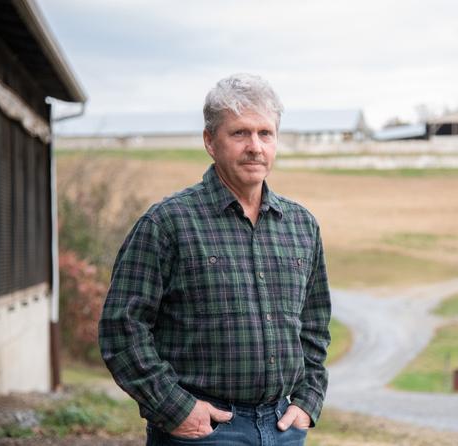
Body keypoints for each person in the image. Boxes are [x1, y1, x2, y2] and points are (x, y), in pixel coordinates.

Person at [99, 73, 331, 446]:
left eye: (265, 134)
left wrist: (308, 400)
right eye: (239, 133)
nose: (255, 146)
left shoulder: (301, 225)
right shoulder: (167, 223)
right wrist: (175, 409)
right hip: (203, 431)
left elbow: (315, 325)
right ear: (210, 141)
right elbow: (121, 328)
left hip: (284, 428)